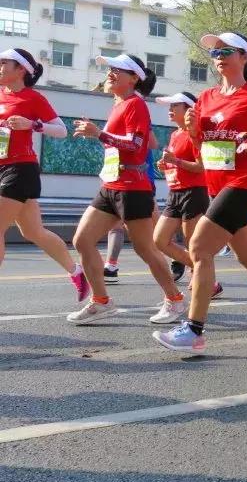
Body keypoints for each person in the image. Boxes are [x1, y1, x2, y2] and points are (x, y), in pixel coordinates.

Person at [152, 32, 247, 353]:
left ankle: (194, 330)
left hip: (243, 185)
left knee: (199, 248)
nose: (219, 55)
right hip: (215, 186)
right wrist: (193, 130)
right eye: (215, 51)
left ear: (244, 57)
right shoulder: (206, 98)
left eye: (227, 50)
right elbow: (200, 147)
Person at [68, 54, 185, 324]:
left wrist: (99, 133)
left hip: (133, 188)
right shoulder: (119, 104)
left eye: (118, 70)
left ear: (133, 78)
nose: (110, 73)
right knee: (82, 240)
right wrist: (98, 135)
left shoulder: (136, 105)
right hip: (111, 185)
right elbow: (118, 146)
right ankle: (101, 301)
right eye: (110, 69)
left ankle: (175, 300)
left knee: (146, 249)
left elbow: (135, 145)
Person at [0, 48, 88, 300]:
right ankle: (76, 272)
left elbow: (60, 130)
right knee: (33, 232)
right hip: (2, 166)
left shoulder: (33, 98)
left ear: (21, 70)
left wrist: (33, 124)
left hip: (20, 169)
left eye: (4, 63)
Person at [149, 91, 219, 323]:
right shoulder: (174, 134)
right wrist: (165, 165)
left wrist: (176, 161)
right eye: (169, 107)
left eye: (174, 106)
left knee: (195, 245)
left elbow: (202, 167)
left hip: (194, 193)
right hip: (175, 193)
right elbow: (174, 165)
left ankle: (205, 283)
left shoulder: (194, 134)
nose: (170, 110)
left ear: (189, 110)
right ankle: (209, 278)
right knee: (160, 240)